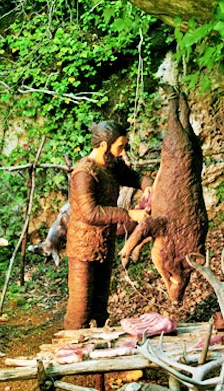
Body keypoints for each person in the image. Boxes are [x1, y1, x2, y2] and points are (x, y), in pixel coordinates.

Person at [63, 120, 153, 330]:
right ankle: (70, 350)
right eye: (119, 147)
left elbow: (135, 176)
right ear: (104, 145)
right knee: (80, 310)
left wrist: (147, 186)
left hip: (104, 245)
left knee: (100, 307)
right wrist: (129, 214)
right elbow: (90, 213)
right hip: (83, 249)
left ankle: (96, 348)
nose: (122, 153)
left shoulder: (111, 166)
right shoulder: (84, 174)